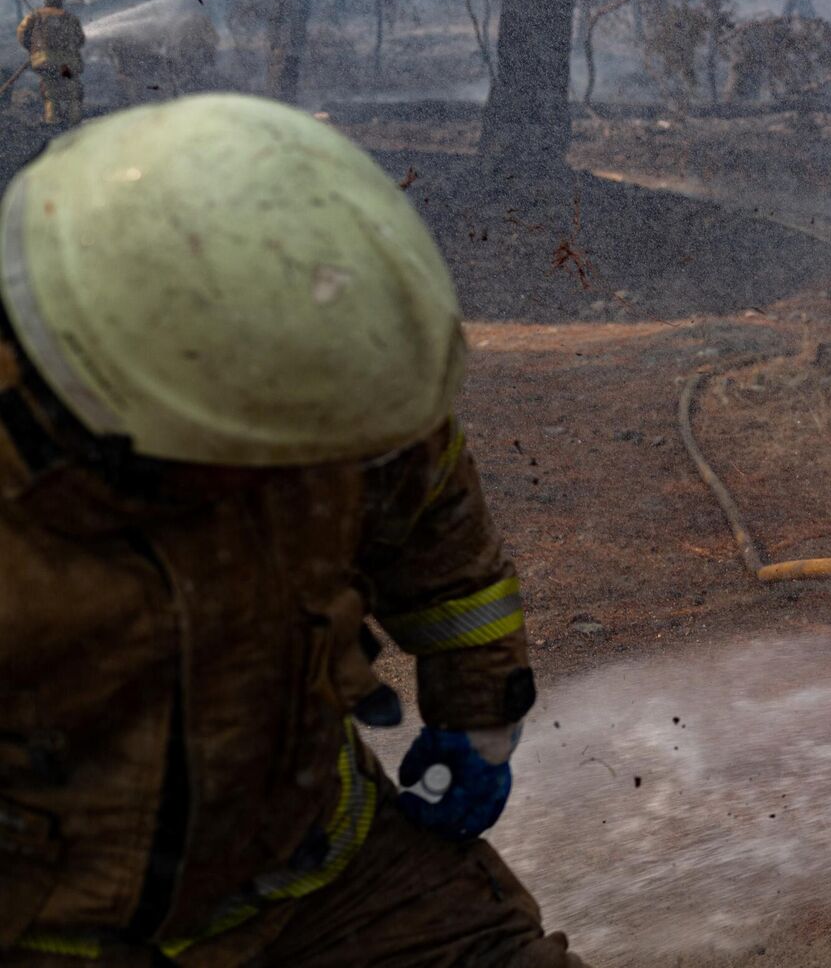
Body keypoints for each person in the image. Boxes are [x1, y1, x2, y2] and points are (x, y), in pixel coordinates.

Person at [0, 95, 584, 966]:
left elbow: (440, 537)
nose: (304, 475)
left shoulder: (318, 368)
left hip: (329, 880)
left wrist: (479, 714)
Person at [15, 0, 84, 129]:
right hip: (65, 65)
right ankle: (75, 124)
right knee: (72, 91)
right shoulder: (69, 17)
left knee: (51, 92)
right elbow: (80, 40)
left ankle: (53, 123)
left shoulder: (35, 16)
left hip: (46, 63)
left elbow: (21, 33)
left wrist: (32, 48)